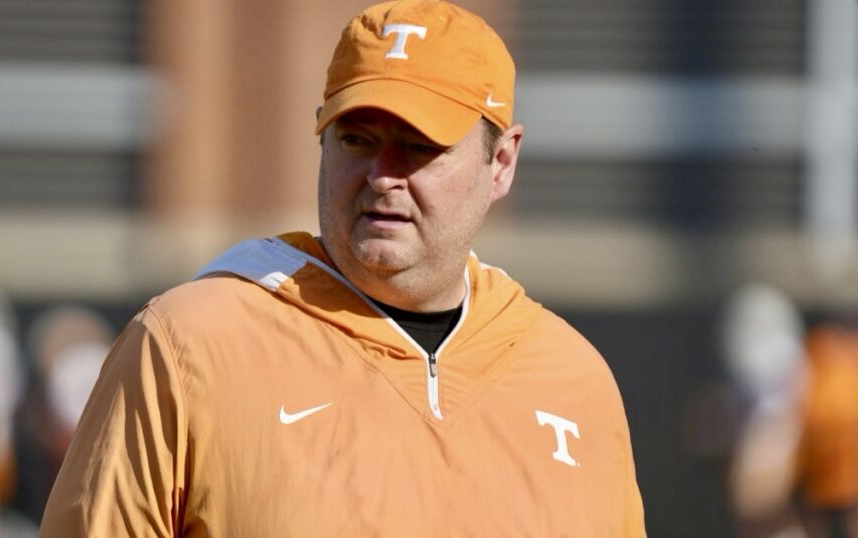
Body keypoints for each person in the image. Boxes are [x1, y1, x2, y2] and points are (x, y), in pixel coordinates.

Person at [41, 0, 645, 535]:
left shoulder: (574, 381)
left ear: (502, 162)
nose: (383, 175)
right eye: (356, 139)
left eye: (419, 147)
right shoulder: (188, 346)